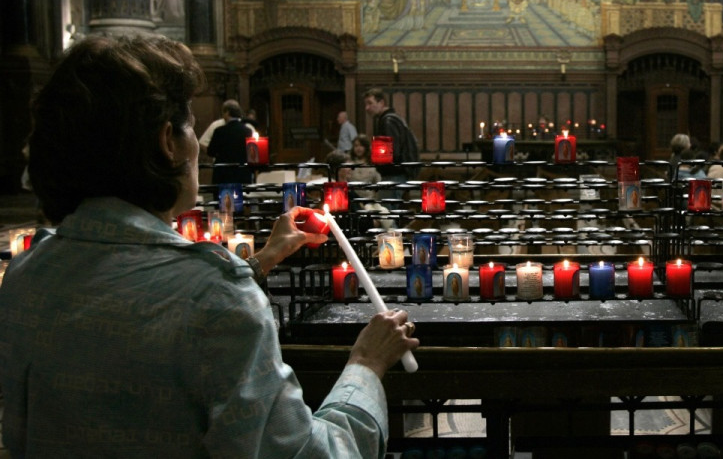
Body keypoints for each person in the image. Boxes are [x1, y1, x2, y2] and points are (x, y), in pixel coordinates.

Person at [0, 35, 418, 458]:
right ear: (169, 142)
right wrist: (366, 365)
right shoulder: (215, 297)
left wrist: (262, 260)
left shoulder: (26, 276)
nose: (199, 147)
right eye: (191, 130)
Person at [363, 87, 421, 183]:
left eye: (370, 103)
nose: (367, 108)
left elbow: (391, 152)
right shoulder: (391, 119)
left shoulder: (388, 121)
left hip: (393, 175)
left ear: (381, 103)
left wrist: (374, 153)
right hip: (396, 174)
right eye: (365, 104)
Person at [207, 99, 254, 184]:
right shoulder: (247, 131)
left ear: (227, 112)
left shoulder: (219, 131)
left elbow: (211, 151)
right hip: (242, 173)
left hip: (223, 174)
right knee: (242, 197)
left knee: (222, 197)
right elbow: (251, 153)